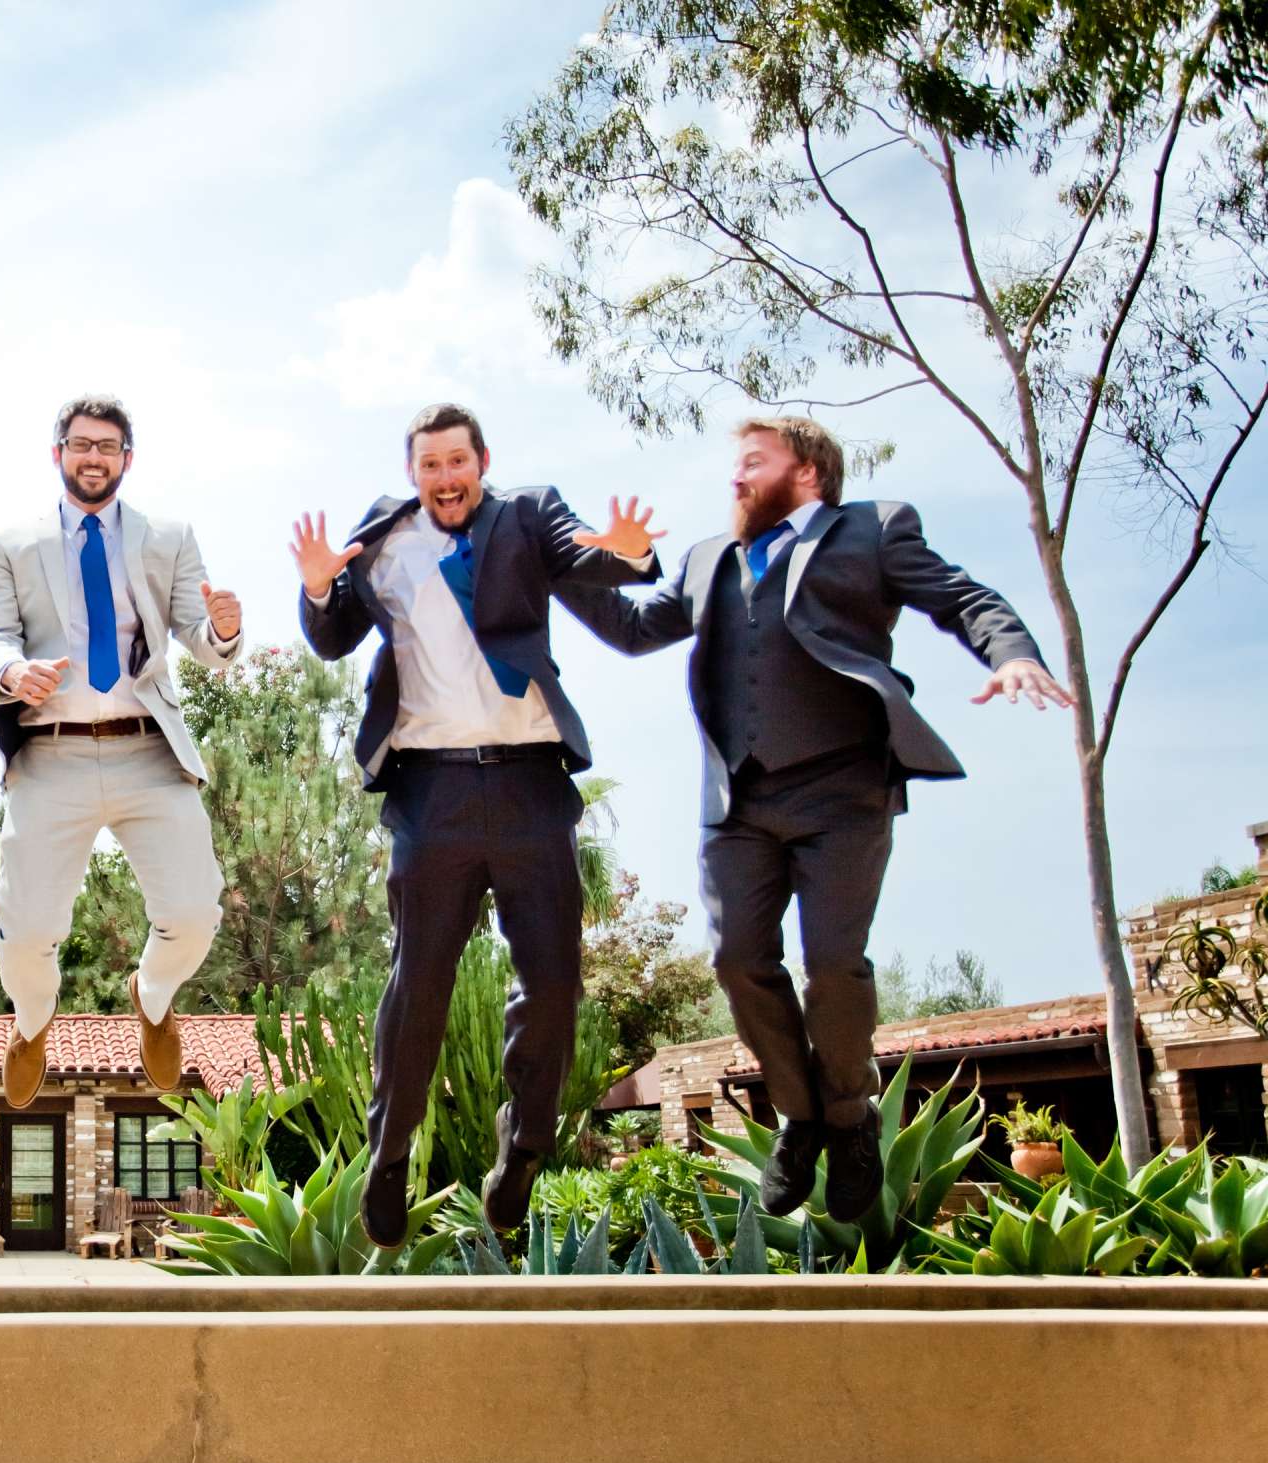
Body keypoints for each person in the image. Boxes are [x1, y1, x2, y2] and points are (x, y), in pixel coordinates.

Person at [558, 415, 1069, 1221]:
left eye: (751, 463)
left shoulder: (872, 530)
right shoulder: (705, 558)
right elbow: (630, 630)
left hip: (842, 791)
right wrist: (565, 563)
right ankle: (799, 1113)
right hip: (738, 802)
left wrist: (1011, 653)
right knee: (735, 960)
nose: (734, 478)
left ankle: (847, 1115)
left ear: (808, 472)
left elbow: (960, 596)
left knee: (834, 965)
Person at [291, 401, 658, 1246]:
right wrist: (316, 585)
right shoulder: (380, 537)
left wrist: (629, 553)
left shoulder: (529, 516)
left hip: (530, 782)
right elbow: (334, 635)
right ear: (412, 472)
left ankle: (524, 1150)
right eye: (431, 466)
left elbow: (584, 556)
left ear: (481, 462)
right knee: (419, 982)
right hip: (432, 792)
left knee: (554, 985)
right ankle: (389, 1153)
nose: (446, 478)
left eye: (459, 462)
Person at [0, 395, 244, 1109]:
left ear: (127, 458)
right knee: (26, 928)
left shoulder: (167, 537)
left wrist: (222, 631)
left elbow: (201, 640)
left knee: (196, 910)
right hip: (49, 754)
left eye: (108, 446)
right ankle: (32, 1024)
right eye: (81, 444)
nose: (94, 457)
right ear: (57, 451)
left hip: (146, 751)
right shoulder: (13, 543)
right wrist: (9, 671)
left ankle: (152, 998)